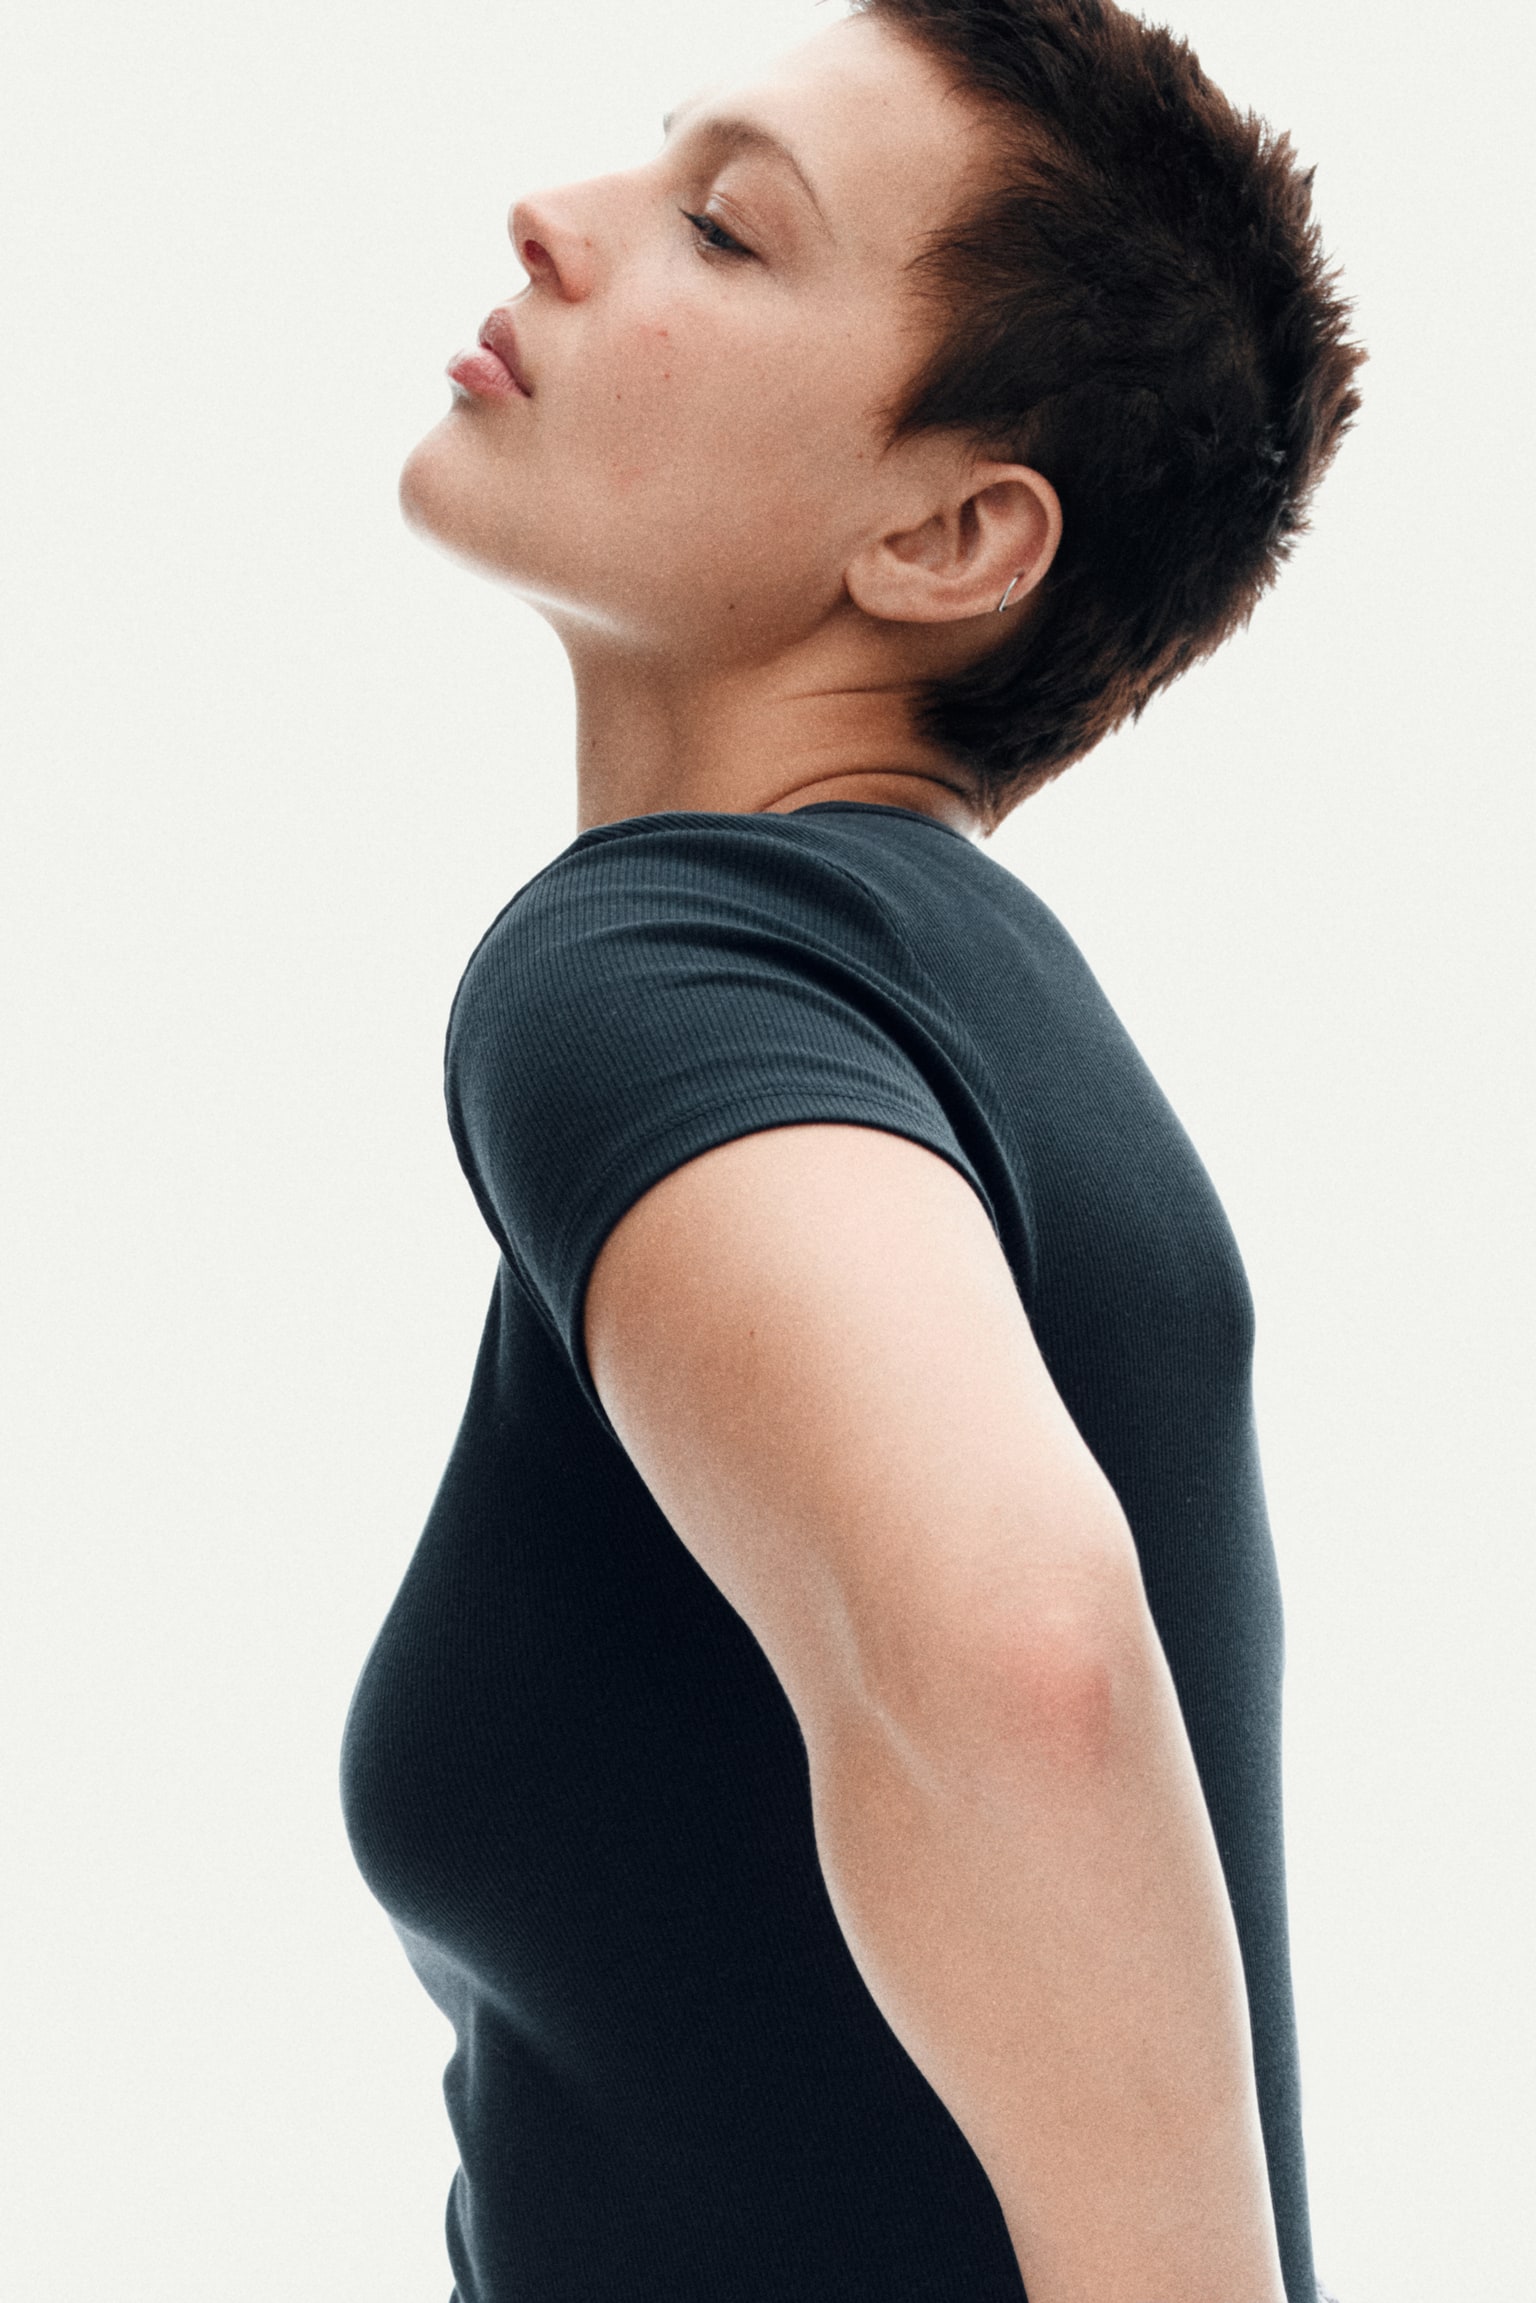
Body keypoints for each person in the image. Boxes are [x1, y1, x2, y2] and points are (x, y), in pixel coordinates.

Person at [339, 2, 1363, 2297]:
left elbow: (1023, 1660)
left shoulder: (656, 956)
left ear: (948, 531)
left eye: (725, 225)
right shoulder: (959, 1003)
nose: (554, 219)